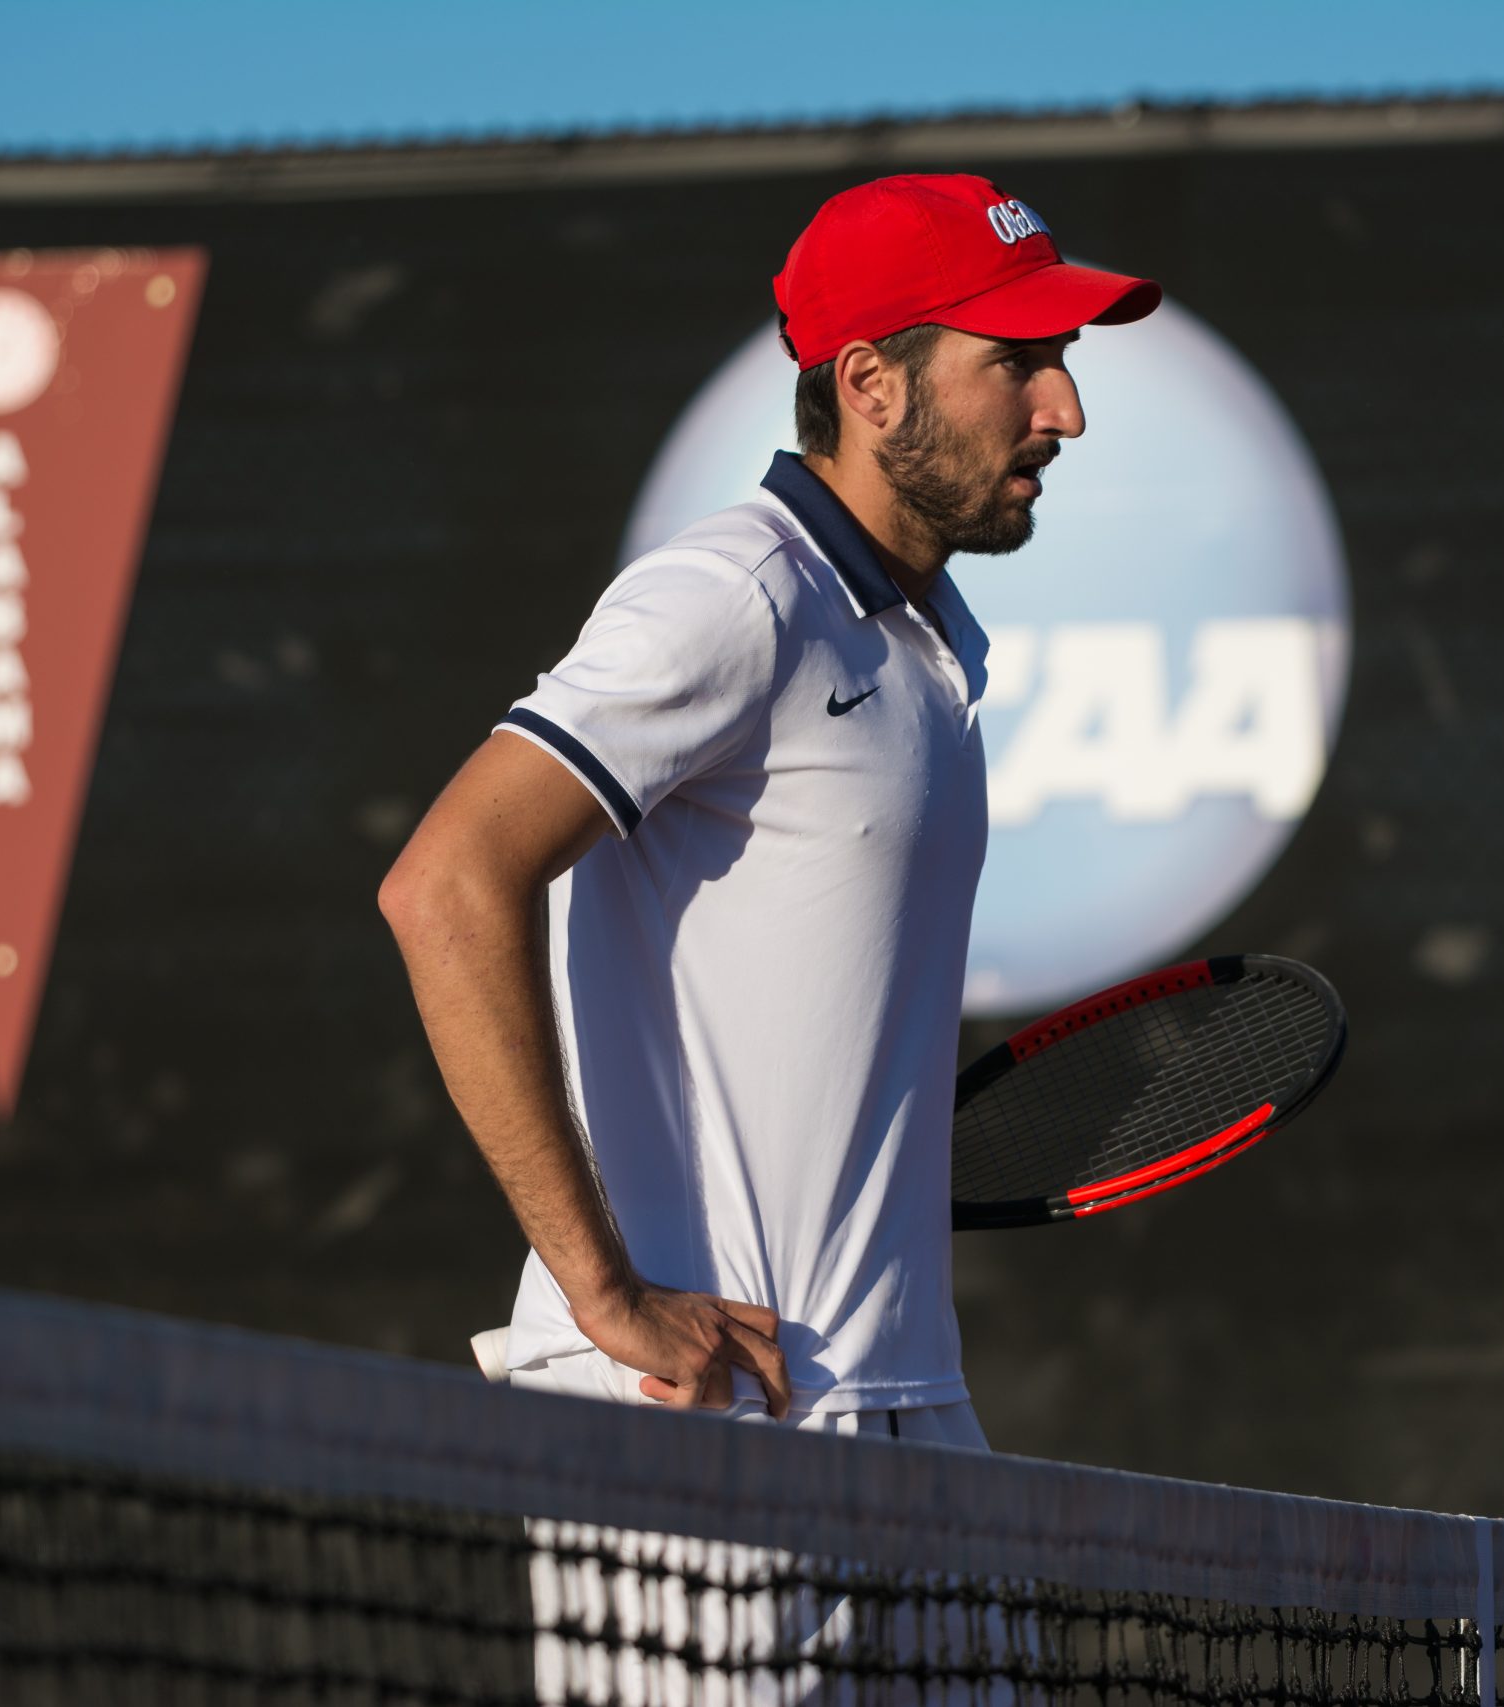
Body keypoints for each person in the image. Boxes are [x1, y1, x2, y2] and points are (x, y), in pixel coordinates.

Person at [379, 174, 1159, 1456]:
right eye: (1016, 361)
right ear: (870, 386)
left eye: (1062, 360)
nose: (1063, 410)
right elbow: (447, 884)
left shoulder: (926, 640)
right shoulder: (732, 593)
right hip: (695, 1410)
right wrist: (604, 1297)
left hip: (908, 1402)